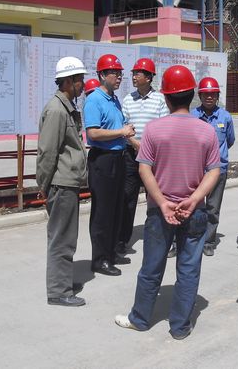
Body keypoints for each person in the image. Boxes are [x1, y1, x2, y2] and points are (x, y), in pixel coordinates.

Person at [114, 65, 220, 340]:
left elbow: (144, 169)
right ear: (192, 95)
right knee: (188, 270)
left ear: (167, 97)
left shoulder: (154, 130)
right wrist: (194, 199)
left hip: (160, 212)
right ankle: (180, 327)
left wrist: (162, 202)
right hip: (194, 212)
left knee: (151, 267)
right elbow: (214, 171)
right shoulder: (206, 131)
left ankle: (140, 319)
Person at [36, 56, 88, 307]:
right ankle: (58, 291)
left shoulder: (65, 107)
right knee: (62, 238)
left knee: (67, 236)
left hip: (67, 182)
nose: (83, 85)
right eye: (79, 80)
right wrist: (43, 185)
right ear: (68, 81)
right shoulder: (57, 110)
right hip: (61, 184)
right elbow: (47, 152)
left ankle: (63, 280)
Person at [84, 54, 135, 276]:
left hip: (118, 157)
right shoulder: (94, 100)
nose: (119, 77)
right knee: (103, 211)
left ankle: (111, 252)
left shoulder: (114, 99)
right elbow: (93, 133)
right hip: (103, 160)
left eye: (120, 73)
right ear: (102, 75)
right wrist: (121, 131)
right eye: (115, 73)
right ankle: (100, 259)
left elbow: (116, 127)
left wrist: (126, 131)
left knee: (116, 208)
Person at [118, 58, 169, 256]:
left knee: (154, 197)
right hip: (131, 155)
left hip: (153, 157)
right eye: (133, 73)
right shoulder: (128, 99)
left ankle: (156, 236)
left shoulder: (160, 99)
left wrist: (146, 146)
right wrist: (134, 143)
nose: (133, 77)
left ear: (148, 77)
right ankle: (122, 240)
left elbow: (163, 127)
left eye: (137, 73)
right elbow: (124, 125)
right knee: (127, 198)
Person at [191, 77, 235, 256]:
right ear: (200, 96)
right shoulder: (192, 116)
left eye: (213, 94)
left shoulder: (225, 117)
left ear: (217, 96)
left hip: (218, 170)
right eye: (206, 94)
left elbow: (230, 140)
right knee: (191, 206)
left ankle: (208, 241)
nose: (209, 97)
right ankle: (186, 239)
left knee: (213, 208)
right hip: (195, 170)